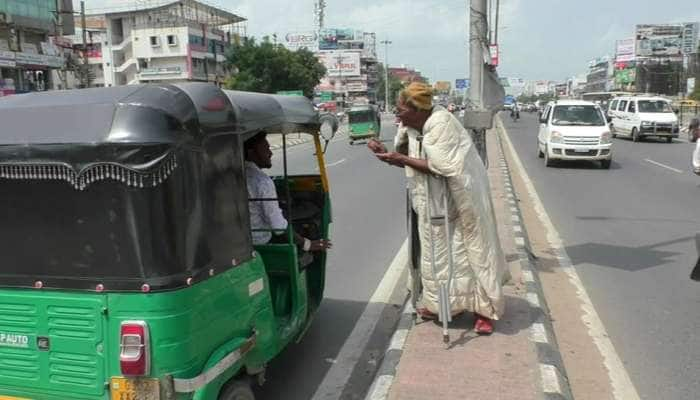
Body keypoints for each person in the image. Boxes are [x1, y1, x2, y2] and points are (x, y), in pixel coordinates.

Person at [367, 82, 508, 334]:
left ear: (418, 109)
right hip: (429, 203)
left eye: (401, 109)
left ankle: (483, 310)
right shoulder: (410, 127)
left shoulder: (442, 123)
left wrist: (399, 159)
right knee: (435, 258)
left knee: (469, 252)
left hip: (457, 200)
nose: (397, 114)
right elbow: (406, 160)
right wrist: (388, 155)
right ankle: (442, 305)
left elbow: (444, 166)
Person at [244, 131, 332, 252]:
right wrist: (307, 244)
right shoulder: (262, 182)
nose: (270, 153)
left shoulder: (233, 176)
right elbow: (278, 226)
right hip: (260, 242)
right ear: (252, 153)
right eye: (266, 149)